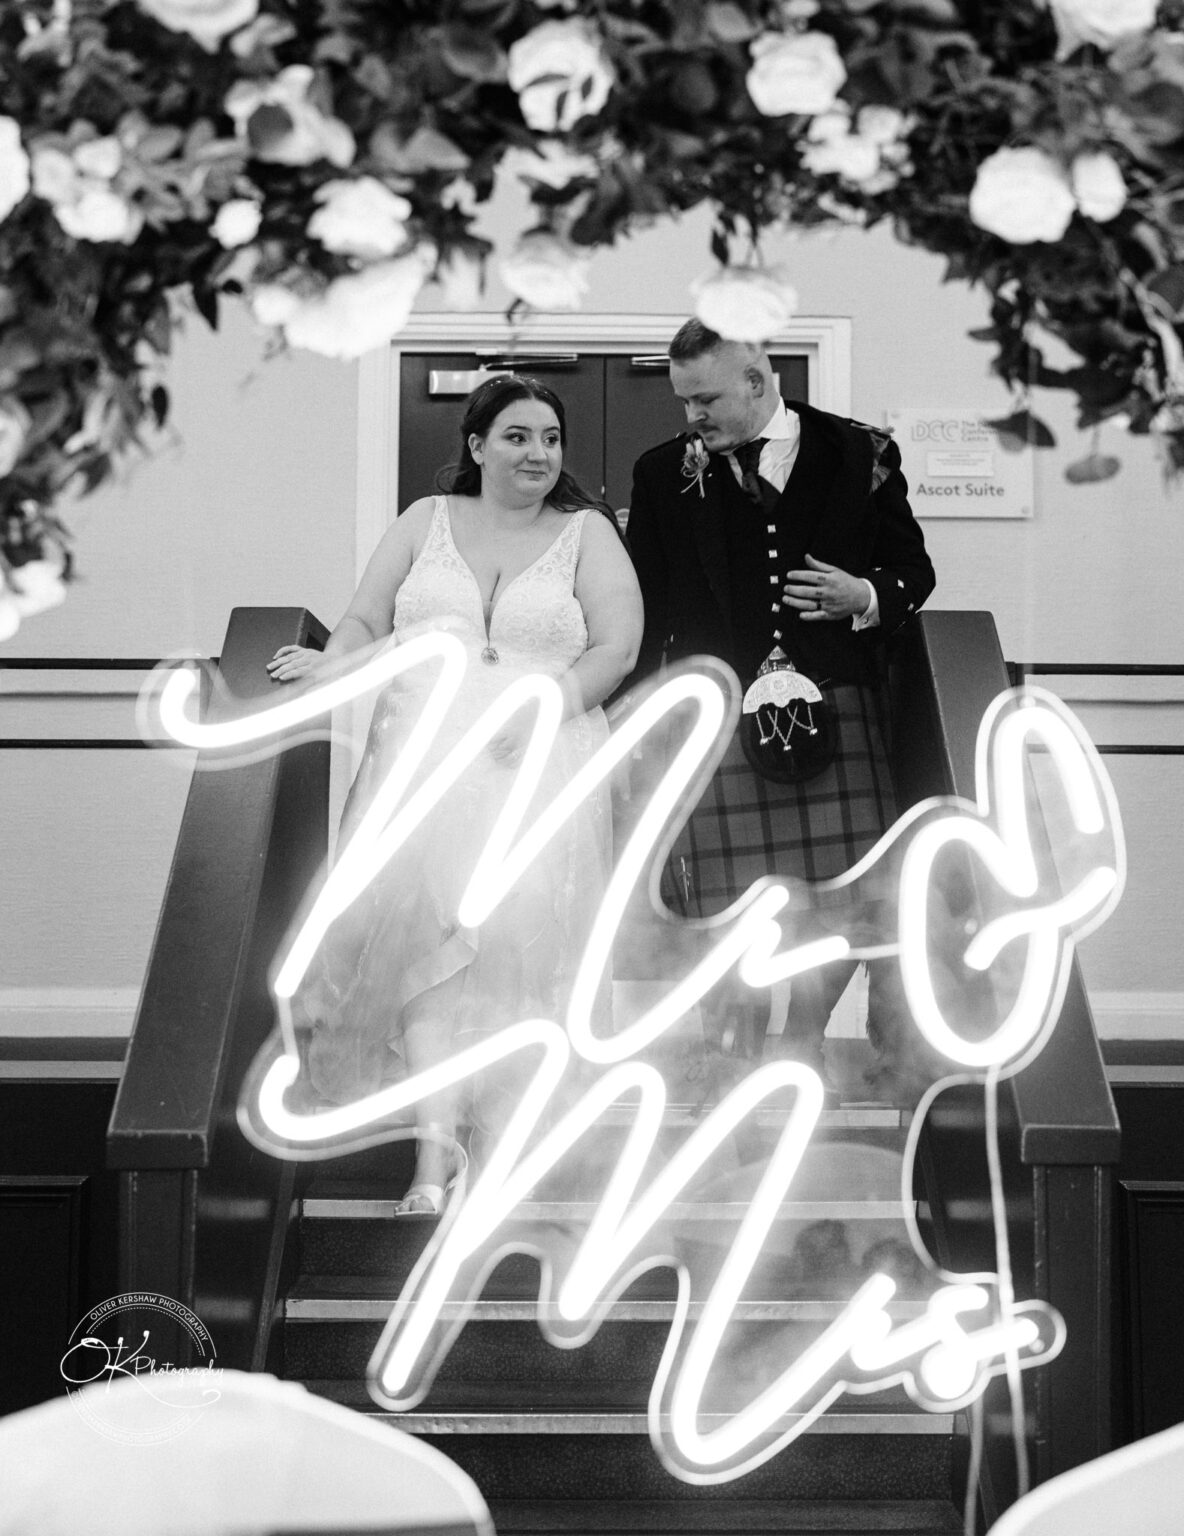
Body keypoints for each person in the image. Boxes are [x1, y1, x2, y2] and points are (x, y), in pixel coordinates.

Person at [268, 375, 643, 1213]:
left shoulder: (587, 534)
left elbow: (617, 648)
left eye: (550, 438)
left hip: (536, 765)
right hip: (422, 762)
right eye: (516, 436)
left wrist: (550, 708)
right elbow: (367, 620)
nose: (538, 453)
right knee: (424, 966)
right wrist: (331, 664)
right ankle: (431, 1169)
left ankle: (506, 1155)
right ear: (476, 446)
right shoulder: (422, 523)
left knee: (516, 965)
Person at [624, 319, 936, 1105]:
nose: (690, 415)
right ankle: (730, 1049)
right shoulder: (662, 473)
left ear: (758, 381)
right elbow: (647, 601)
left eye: (705, 398)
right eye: (683, 399)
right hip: (720, 712)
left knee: (843, 893)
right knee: (730, 897)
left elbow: (911, 569)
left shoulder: (859, 453)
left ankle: (802, 1038)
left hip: (838, 703)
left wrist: (861, 596)